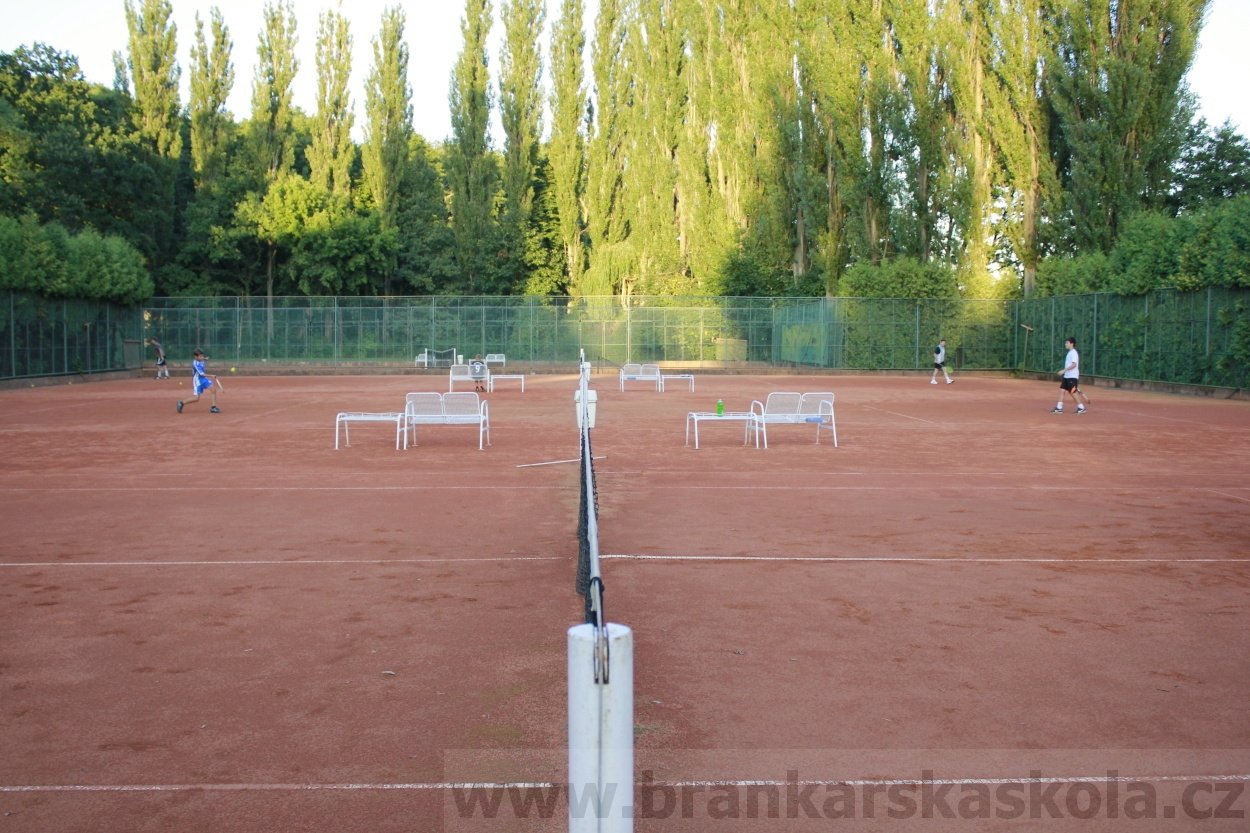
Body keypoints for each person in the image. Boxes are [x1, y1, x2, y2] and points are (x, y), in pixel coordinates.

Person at [177, 349, 220, 413]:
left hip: (204, 379)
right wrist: (212, 375)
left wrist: (205, 359)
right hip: (197, 381)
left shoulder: (201, 359)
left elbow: (202, 359)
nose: (202, 357)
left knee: (213, 389)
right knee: (196, 398)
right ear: (196, 357)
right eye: (200, 356)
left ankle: (213, 408)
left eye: (202, 356)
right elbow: (202, 374)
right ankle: (181, 403)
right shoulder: (195, 364)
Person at [1052, 337, 1086, 414]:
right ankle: (1059, 408)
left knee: (1072, 392)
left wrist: (1063, 370)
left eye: (1067, 343)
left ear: (1072, 344)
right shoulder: (1070, 352)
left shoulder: (1074, 353)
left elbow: (1074, 364)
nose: (1065, 344)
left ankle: (1081, 408)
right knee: (1062, 390)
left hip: (1072, 376)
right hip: (1067, 376)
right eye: (1066, 343)